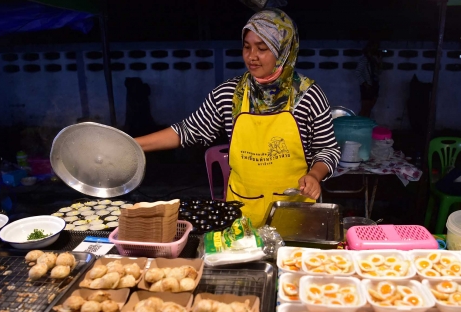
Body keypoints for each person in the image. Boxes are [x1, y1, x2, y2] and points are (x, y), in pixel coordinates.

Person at [134, 8, 340, 227]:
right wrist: (131, 145)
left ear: (284, 51)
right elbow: (187, 131)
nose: (252, 56)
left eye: (262, 48)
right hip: (243, 212)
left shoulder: (308, 96)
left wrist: (315, 175)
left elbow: (328, 149)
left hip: (295, 212)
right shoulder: (230, 94)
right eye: (247, 46)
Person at [356, 40, 382, 118]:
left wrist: (379, 62)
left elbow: (379, 72)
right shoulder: (364, 60)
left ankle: (365, 125)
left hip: (374, 85)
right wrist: (365, 83)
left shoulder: (373, 60)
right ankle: (358, 125)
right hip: (367, 86)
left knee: (369, 108)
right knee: (365, 108)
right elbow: (357, 72)